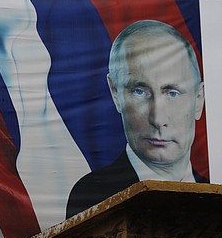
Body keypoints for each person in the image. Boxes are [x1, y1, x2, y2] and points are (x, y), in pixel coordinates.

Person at [66, 20, 206, 218]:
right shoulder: (92, 196)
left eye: (172, 93)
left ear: (198, 100)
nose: (158, 119)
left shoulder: (213, 198)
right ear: (115, 94)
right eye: (140, 92)